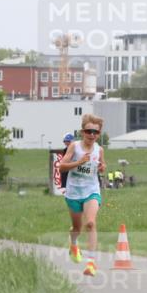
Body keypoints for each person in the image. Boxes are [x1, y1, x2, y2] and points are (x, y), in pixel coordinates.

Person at [59, 114, 106, 275]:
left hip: (91, 190)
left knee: (91, 223)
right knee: (77, 227)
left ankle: (91, 263)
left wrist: (102, 167)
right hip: (73, 192)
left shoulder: (99, 149)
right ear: (82, 132)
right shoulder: (74, 147)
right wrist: (79, 162)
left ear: (99, 134)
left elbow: (102, 164)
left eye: (95, 132)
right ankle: (73, 243)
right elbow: (61, 167)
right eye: (88, 131)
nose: (92, 135)